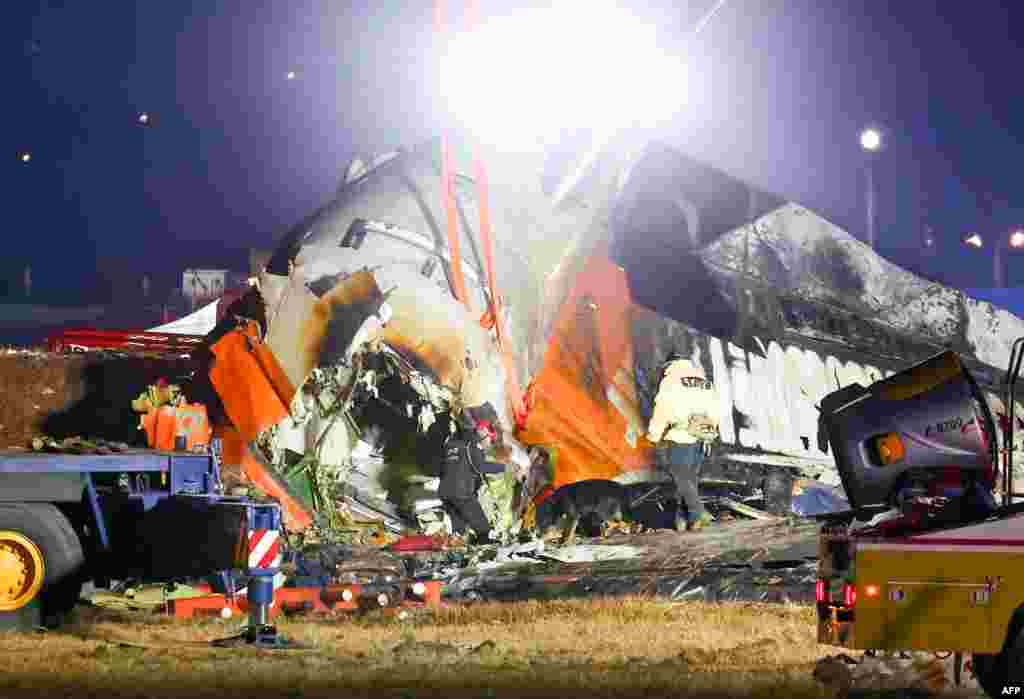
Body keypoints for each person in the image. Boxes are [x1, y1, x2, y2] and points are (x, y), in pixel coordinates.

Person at [646, 354, 720, 531]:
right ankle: (686, 522)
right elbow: (716, 409)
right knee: (690, 481)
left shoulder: (672, 380)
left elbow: (662, 408)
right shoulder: (704, 381)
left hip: (681, 435)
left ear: (669, 365)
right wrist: (709, 432)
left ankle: (698, 512)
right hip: (701, 437)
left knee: (681, 477)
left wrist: (654, 435)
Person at [437, 419, 506, 542]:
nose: (489, 444)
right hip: (461, 492)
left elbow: (444, 466)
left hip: (445, 492)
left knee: (459, 529)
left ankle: (457, 544)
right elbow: (479, 467)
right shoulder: (473, 443)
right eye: (490, 440)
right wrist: (504, 467)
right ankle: (485, 541)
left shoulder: (453, 441)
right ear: (485, 435)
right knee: (482, 525)